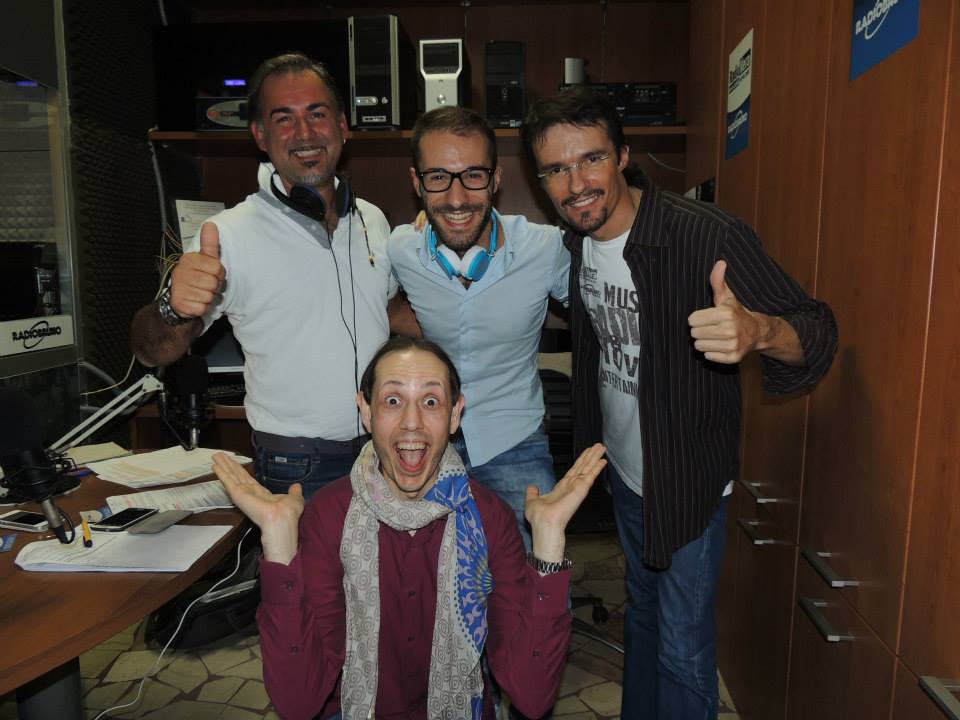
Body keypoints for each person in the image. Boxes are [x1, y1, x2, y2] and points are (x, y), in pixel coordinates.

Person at [520, 87, 838, 719]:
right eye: (556, 169)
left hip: (688, 482)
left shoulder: (704, 235)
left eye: (591, 159)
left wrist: (759, 332)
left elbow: (817, 330)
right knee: (643, 614)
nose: (576, 184)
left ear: (623, 156)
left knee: (683, 646)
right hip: (625, 475)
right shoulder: (575, 243)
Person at [212, 336, 608, 720]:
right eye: (393, 400)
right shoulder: (329, 516)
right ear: (366, 412)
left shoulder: (490, 518)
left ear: (455, 414)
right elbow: (298, 703)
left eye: (431, 401)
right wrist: (280, 546)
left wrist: (548, 544)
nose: (412, 422)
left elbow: (532, 696)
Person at [131, 52, 406, 499]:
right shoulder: (228, 234)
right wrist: (173, 309)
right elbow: (151, 351)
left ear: (342, 125)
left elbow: (387, 309)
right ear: (260, 135)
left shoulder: (371, 219)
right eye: (284, 119)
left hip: (383, 452)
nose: (304, 133)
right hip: (299, 464)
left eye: (317, 113)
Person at [388, 106, 570, 548]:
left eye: (472, 175)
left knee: (533, 574)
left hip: (515, 442)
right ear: (417, 182)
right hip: (426, 444)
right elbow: (370, 306)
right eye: (438, 177)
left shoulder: (544, 248)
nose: (456, 199)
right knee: (425, 579)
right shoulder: (401, 249)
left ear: (495, 179)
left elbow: (600, 303)